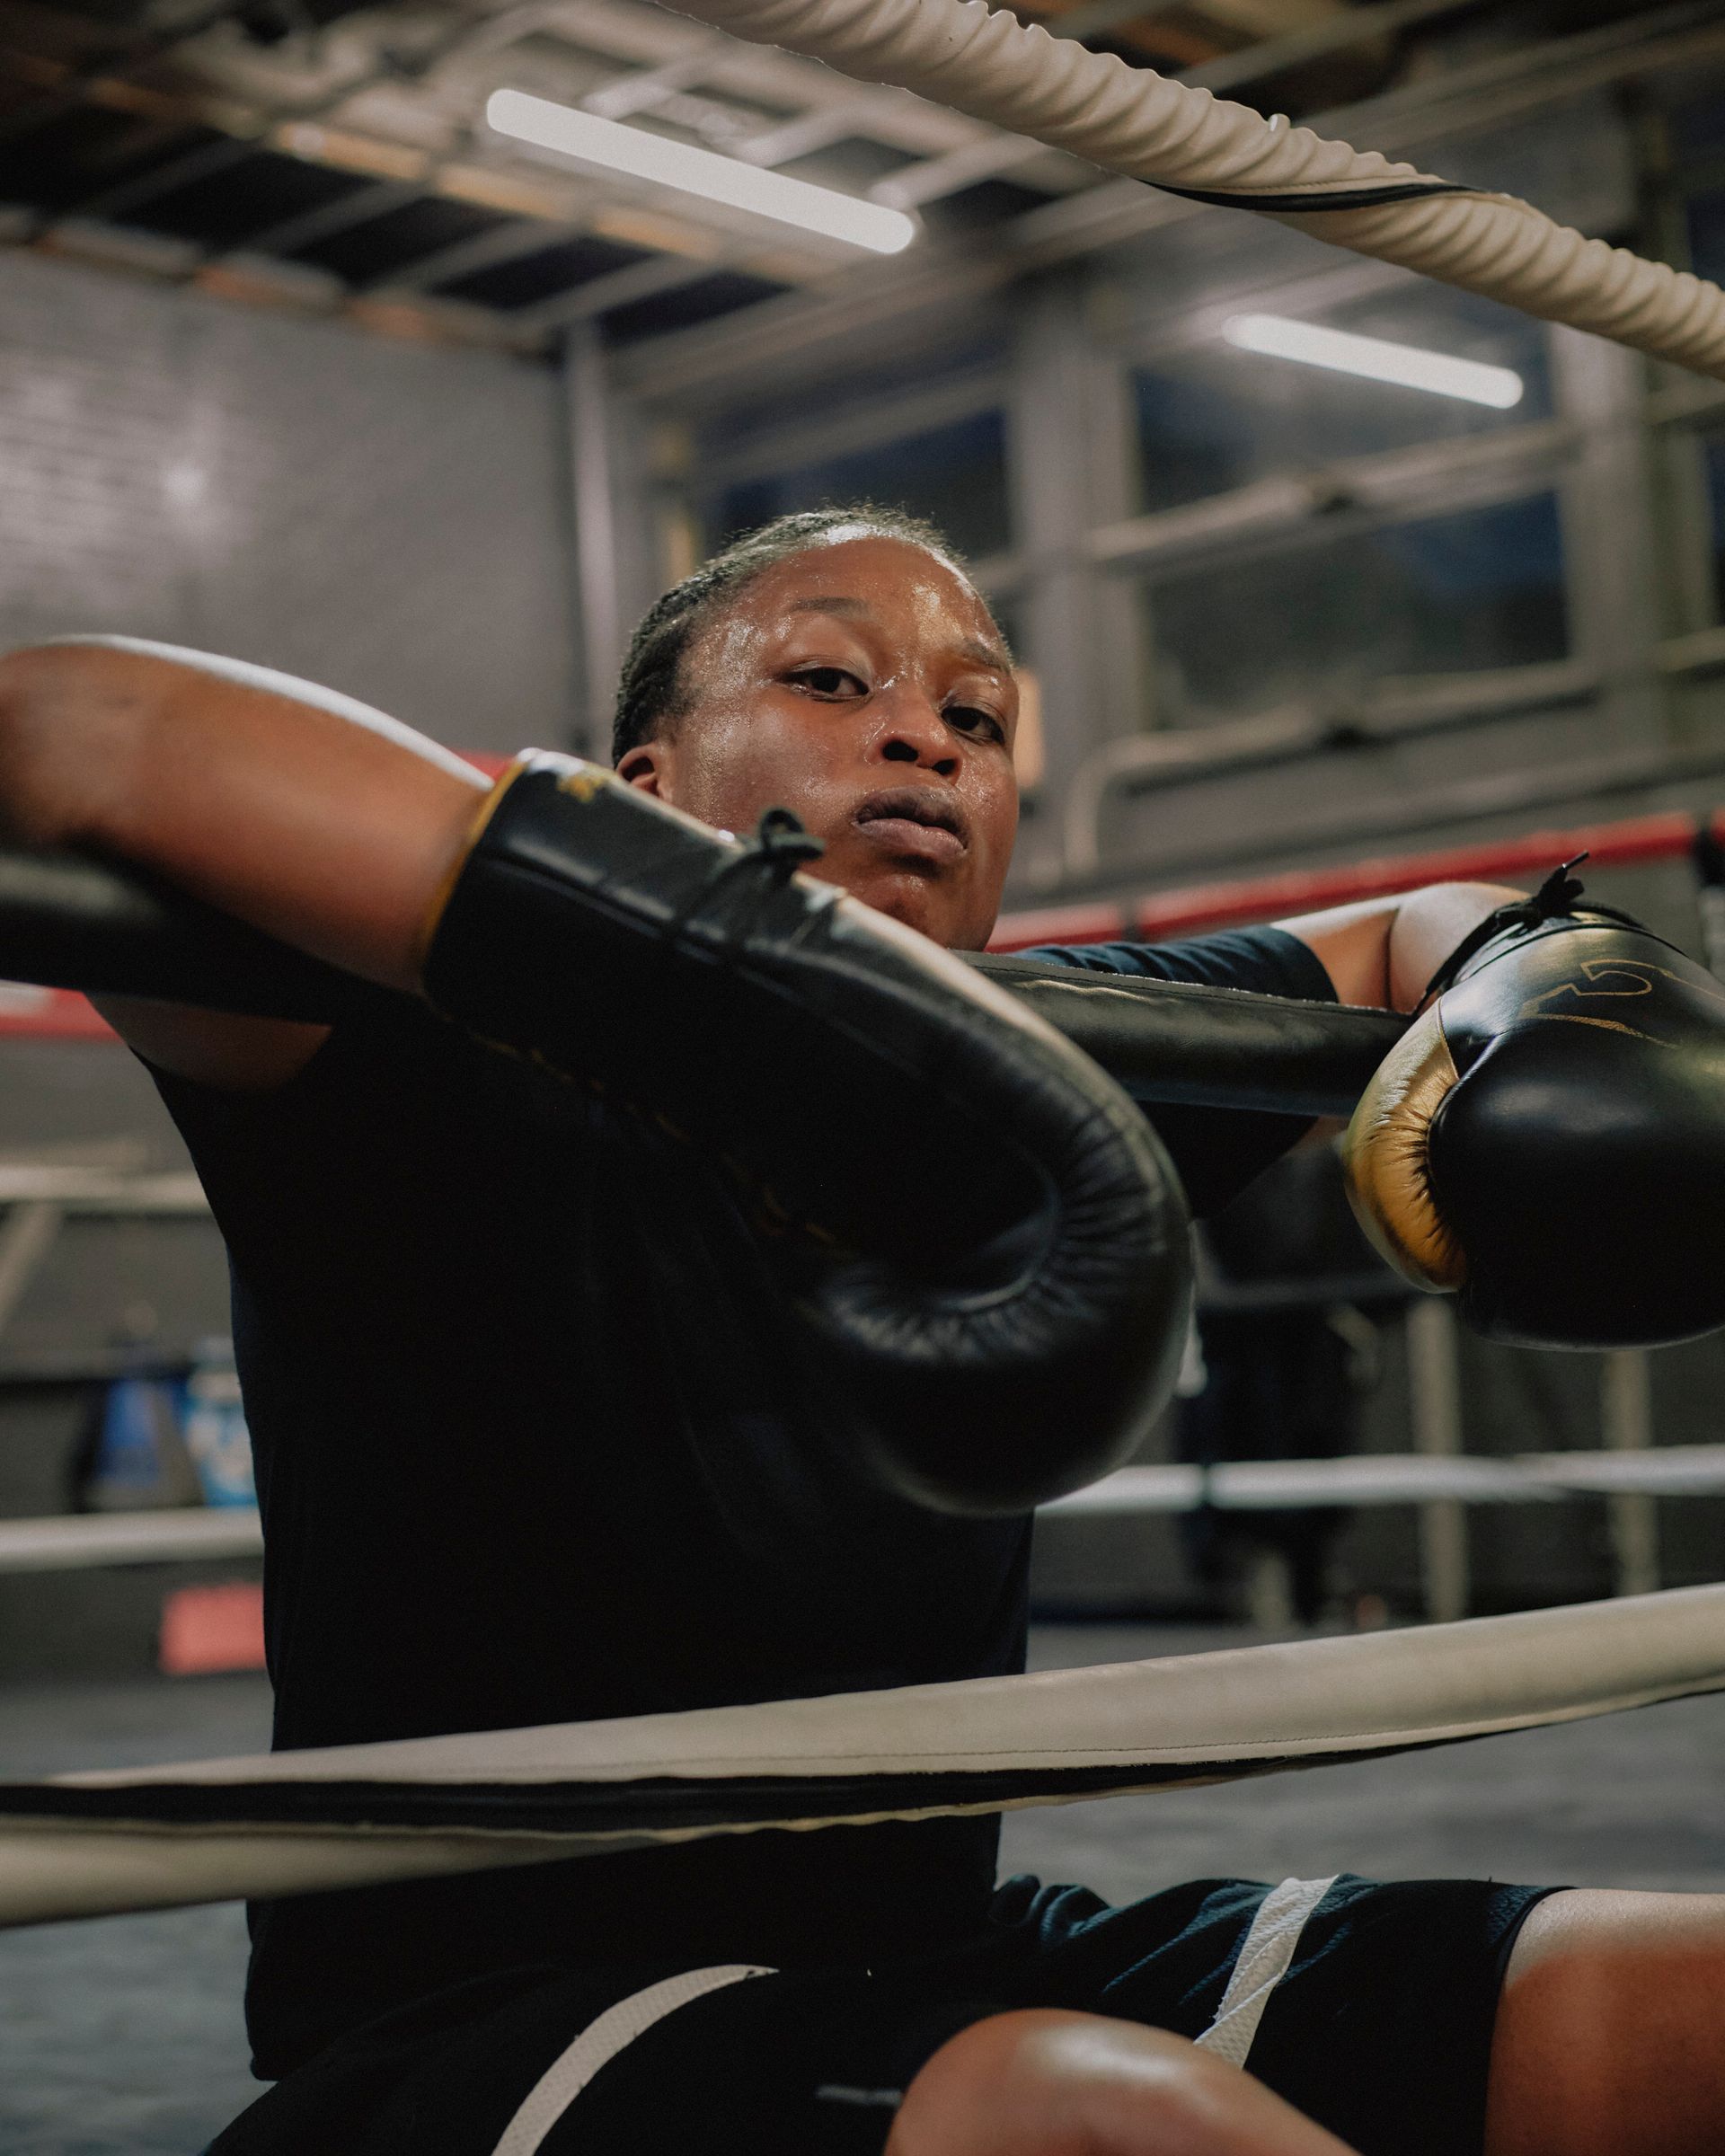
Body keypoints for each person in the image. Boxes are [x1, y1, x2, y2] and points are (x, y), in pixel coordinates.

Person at [0, 508, 1720, 2156]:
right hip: (473, 2039)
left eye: (976, 713)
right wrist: (704, 967)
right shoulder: (413, 1063)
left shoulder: (1037, 1093)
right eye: (830, 683)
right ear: (645, 787)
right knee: (1095, 2125)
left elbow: (1396, 937)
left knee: (1686, 2007)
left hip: (934, 1979)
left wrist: (1534, 960)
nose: (926, 740)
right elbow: (71, 732)